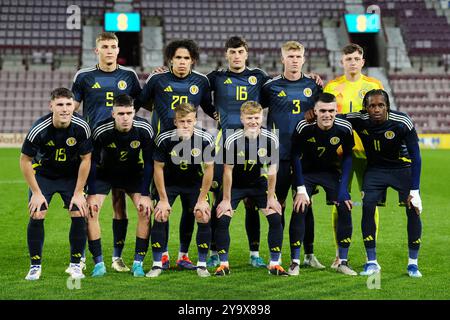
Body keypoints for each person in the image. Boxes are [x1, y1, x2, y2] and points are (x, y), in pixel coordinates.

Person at [137, 39, 215, 271]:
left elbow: (209, 108)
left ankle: (184, 255)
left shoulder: (201, 81)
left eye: (186, 58)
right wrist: (162, 112)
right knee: (161, 209)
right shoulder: (157, 79)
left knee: (193, 210)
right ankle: (161, 257)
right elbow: (140, 102)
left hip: (191, 151)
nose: (182, 62)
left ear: (193, 60)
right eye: (178, 58)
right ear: (170, 59)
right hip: (162, 148)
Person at [307, 43, 385, 268]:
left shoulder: (374, 85)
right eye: (348, 59)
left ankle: (372, 256)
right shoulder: (332, 86)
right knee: (339, 201)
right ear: (342, 62)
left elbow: (381, 116)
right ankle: (339, 254)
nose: (352, 62)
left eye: (356, 58)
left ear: (362, 61)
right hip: (340, 153)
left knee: (371, 203)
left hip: (368, 152)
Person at [71, 32, 143, 273]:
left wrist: (156, 79)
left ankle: (116, 257)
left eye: (113, 46)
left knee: (119, 205)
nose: (110, 50)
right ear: (97, 50)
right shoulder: (84, 76)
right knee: (86, 205)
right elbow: (73, 107)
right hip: (94, 151)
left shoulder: (129, 75)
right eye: (105, 47)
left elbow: (140, 104)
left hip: (124, 151)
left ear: (118, 48)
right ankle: (81, 257)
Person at [206, 36, 272, 269]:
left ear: (246, 53)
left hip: (252, 143)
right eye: (232, 52)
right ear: (226, 54)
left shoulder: (259, 76)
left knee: (252, 201)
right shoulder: (217, 77)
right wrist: (214, 113)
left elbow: (272, 94)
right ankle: (214, 250)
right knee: (219, 199)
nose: (236, 56)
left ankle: (254, 253)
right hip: (224, 144)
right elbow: (201, 93)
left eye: (240, 52)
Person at [344, 89, 423, 278]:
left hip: (402, 169)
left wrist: (415, 190)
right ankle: (371, 262)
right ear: (365, 108)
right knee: (368, 206)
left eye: (381, 105)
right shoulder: (358, 119)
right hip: (375, 170)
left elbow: (416, 156)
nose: (376, 109)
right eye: (372, 106)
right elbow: (333, 118)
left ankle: (413, 264)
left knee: (413, 209)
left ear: (387, 106)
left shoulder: (402, 121)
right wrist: (314, 113)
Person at [261, 40, 324, 269]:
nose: (294, 60)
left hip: (305, 156)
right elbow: (254, 110)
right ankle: (275, 255)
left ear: (304, 59)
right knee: (277, 205)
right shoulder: (270, 86)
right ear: (283, 59)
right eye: (290, 56)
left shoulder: (314, 85)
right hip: (277, 154)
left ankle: (308, 254)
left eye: (298, 56)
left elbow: (324, 113)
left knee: (306, 204)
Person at [20, 88, 92, 280]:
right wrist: (36, 192)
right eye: (60, 105)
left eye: (69, 104)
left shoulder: (81, 127)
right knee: (37, 212)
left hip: (71, 177)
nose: (65, 109)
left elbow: (86, 159)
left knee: (79, 212)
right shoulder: (39, 128)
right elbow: (25, 160)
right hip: (45, 176)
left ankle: (76, 264)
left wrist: (78, 192)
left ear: (73, 106)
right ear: (51, 106)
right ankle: (35, 265)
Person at [86, 94, 155, 277]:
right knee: (91, 210)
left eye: (129, 113)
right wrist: (91, 192)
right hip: (105, 174)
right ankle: (99, 263)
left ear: (134, 112)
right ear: (113, 114)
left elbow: (149, 162)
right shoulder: (101, 130)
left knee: (145, 211)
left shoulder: (144, 128)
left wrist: (146, 194)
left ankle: (137, 263)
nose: (125, 117)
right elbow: (91, 162)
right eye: (121, 113)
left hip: (133, 173)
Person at [215, 101, 286, 276]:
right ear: (242, 118)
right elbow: (228, 171)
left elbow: (271, 170)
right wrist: (225, 199)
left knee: (276, 217)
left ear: (262, 117)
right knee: (223, 218)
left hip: (258, 184)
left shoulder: (271, 138)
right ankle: (223, 264)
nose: (253, 121)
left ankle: (275, 263)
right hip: (236, 186)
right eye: (249, 118)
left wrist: (271, 197)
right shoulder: (233, 138)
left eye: (256, 117)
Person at [290, 93, 356, 276]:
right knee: (299, 207)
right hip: (306, 172)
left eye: (331, 111)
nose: (327, 114)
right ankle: (294, 261)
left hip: (330, 173)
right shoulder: (304, 126)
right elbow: (294, 156)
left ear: (337, 111)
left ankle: (343, 261)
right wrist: (301, 189)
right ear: (315, 111)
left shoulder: (344, 127)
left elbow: (349, 156)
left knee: (344, 206)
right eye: (323, 111)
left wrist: (344, 190)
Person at [148, 103, 215, 278]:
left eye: (189, 121)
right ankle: (158, 262)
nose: (185, 125)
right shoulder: (164, 138)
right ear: (175, 121)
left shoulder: (205, 139)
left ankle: (197, 263)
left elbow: (209, 169)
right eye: (182, 121)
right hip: (169, 183)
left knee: (202, 214)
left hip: (193, 184)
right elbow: (158, 168)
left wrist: (202, 199)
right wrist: (162, 199)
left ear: (195, 121)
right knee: (161, 214)